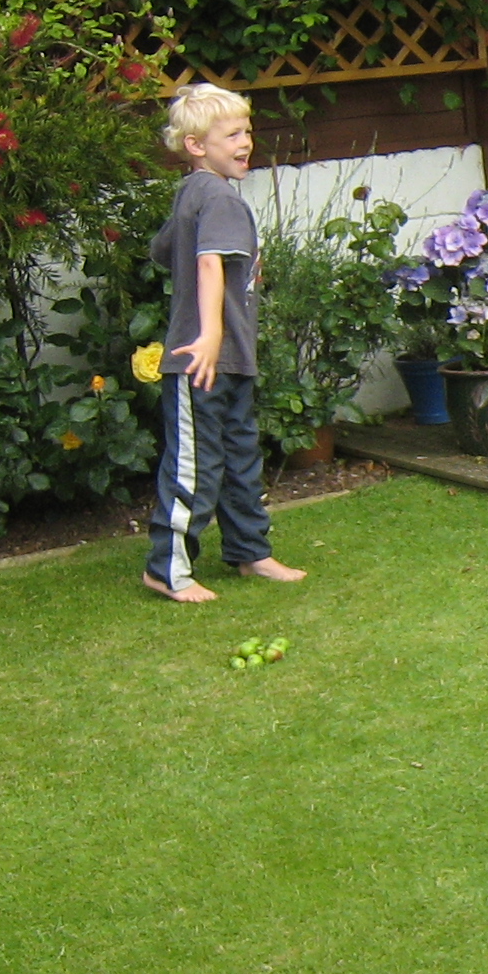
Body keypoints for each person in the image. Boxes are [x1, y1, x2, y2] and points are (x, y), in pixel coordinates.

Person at [144, 84, 304, 603]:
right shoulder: (218, 197)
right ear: (196, 146)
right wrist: (210, 334)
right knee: (196, 464)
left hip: (229, 356)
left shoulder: (194, 193)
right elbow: (209, 262)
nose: (245, 142)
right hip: (205, 358)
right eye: (232, 134)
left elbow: (163, 250)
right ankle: (167, 570)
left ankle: (250, 551)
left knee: (239, 457)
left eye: (247, 132)